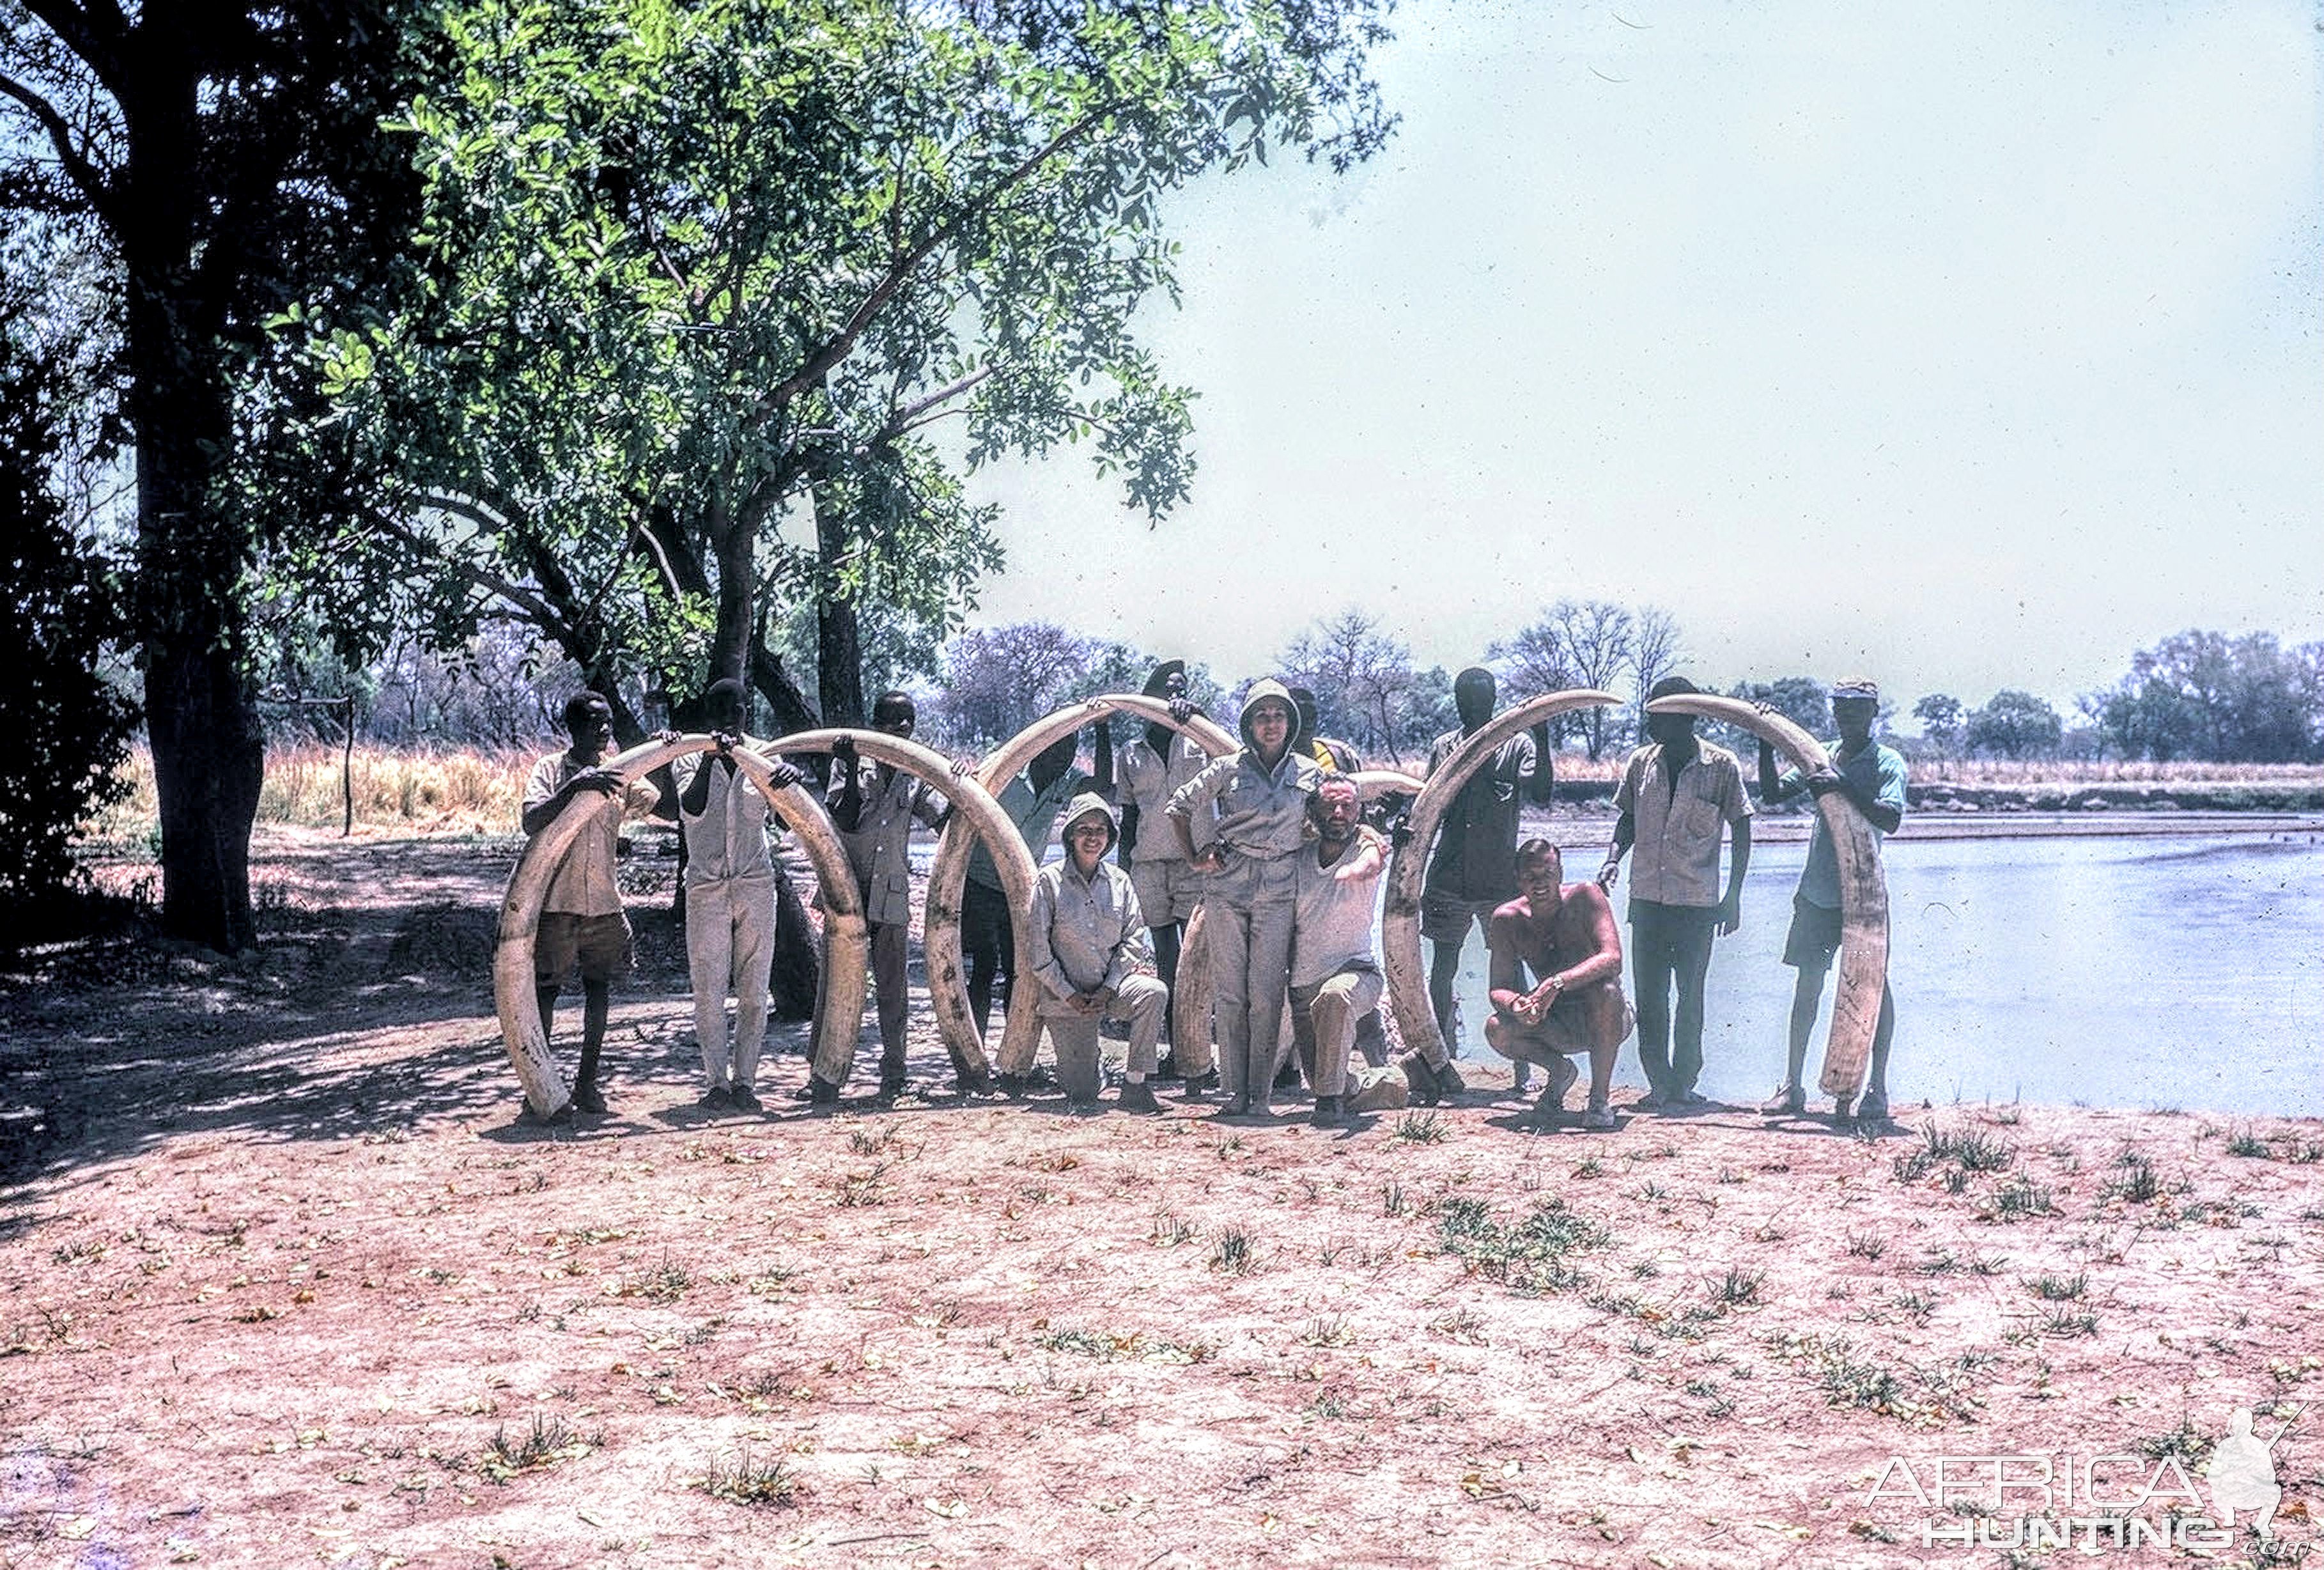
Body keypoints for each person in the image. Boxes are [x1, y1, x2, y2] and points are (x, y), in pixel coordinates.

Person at [1754, 678, 1905, 1125]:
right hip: (1817, 891)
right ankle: (1792, 1085)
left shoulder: (1886, 762)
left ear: (1874, 712)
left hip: (1863, 896)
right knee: (1808, 986)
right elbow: (1774, 794)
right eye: (1841, 708)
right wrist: (1766, 745)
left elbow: (1891, 818)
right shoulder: (1821, 754)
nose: (1847, 716)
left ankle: (1876, 1088)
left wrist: (1842, 787)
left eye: (1857, 709)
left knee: (1876, 991)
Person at [1598, 676, 1752, 1110]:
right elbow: (1626, 819)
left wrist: (1733, 895)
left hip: (1697, 903)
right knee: (1649, 997)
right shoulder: (1641, 763)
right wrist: (1612, 859)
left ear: (1685, 717)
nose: (1650, 725)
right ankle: (1659, 1083)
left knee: (1691, 997)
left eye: (1659, 717)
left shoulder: (1721, 766)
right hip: (1647, 900)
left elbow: (1742, 827)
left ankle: (1684, 1081)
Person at [1166, 680, 1319, 1117]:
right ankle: (1235, 1094)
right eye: (1261, 716)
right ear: (1249, 724)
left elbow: (1333, 815)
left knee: (1268, 993)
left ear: (1290, 724)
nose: (1270, 724)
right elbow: (1179, 807)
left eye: (1279, 716)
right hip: (1228, 884)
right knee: (1231, 993)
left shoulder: (1309, 773)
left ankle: (1262, 1096)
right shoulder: (1227, 768)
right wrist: (1196, 857)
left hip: (1280, 887)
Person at [522, 692, 662, 1116]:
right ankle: (539, 1087)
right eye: (595, 724)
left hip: (604, 903)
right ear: (574, 728)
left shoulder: (619, 770)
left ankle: (587, 1084)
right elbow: (531, 820)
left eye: (609, 723)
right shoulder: (550, 770)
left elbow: (652, 799)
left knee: (599, 989)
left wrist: (661, 748)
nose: (604, 731)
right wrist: (575, 786)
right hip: (558, 902)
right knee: (545, 991)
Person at [669, 679, 805, 1114]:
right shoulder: (687, 754)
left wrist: (787, 782)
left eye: (738, 709)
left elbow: (786, 821)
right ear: (709, 715)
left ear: (748, 712)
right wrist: (713, 758)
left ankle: (746, 1081)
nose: (730, 717)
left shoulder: (767, 755)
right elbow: (689, 808)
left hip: (755, 883)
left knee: (754, 987)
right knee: (708, 987)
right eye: (721, 709)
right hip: (707, 885)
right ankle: (715, 1083)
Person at [814, 690, 956, 1104]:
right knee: (837, 983)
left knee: (894, 988)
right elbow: (845, 818)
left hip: (891, 895)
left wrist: (958, 779)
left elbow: (940, 817)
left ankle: (895, 1072)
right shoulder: (850, 760)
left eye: (909, 720)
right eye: (894, 720)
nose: (903, 728)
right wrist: (854, 761)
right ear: (876, 724)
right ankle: (824, 1073)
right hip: (848, 891)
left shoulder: (916, 769)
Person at [1417, 667, 1554, 1089]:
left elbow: (1543, 792)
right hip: (1448, 878)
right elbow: (1430, 806)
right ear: (1458, 703)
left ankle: (1523, 1067)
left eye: (1482, 698)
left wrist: (1545, 737)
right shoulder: (1445, 747)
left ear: (1494, 701)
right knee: (1443, 969)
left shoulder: (1517, 744)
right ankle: (1442, 1063)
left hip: (1499, 881)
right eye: (1466, 699)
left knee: (1511, 971)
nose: (1474, 706)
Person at [1024, 794, 1170, 1113]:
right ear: (1071, 836)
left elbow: (1134, 939)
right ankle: (1093, 1067)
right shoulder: (1048, 882)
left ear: (1110, 837)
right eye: (1084, 829)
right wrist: (1069, 994)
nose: (1093, 837)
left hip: (1111, 991)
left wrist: (1108, 988)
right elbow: (1038, 952)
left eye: (1100, 830)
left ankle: (1134, 1084)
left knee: (1154, 992)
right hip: (1066, 1000)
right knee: (1083, 1093)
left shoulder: (1120, 881)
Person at [1483, 840, 1632, 1130]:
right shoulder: (1507, 919)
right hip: (1553, 1021)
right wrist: (1517, 1005)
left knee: (1607, 992)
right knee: (1497, 1029)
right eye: (1531, 877)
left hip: (1606, 1016)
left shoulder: (1587, 896)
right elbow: (1498, 987)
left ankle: (1599, 1099)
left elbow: (1613, 959)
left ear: (1561, 873)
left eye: (1548, 874)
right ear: (1518, 880)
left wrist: (1557, 983)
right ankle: (1560, 1071)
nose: (1540, 884)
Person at [1114, 660, 1211, 1085]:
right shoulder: (1132, 754)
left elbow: (1231, 776)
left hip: (1196, 864)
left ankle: (1197, 1058)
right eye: (1166, 689)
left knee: (1196, 960)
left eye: (1181, 688)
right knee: (1167, 961)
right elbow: (1129, 817)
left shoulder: (1199, 744)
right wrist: (1122, 874)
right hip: (1149, 866)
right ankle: (1176, 1053)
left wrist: (1200, 719)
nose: (1174, 696)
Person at [962, 729, 1087, 1039]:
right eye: (1058, 748)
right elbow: (966, 789)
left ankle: (1013, 1050)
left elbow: (1103, 789)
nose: (1064, 757)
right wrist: (961, 773)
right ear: (1042, 746)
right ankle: (974, 1047)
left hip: (1020, 890)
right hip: (980, 882)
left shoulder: (1066, 782)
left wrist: (1100, 726)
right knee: (984, 965)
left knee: (1019, 971)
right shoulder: (1005, 769)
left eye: (1071, 750)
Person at [1286, 775, 1390, 1128]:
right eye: (1330, 805)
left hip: (1356, 972)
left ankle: (1328, 1106)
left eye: (1347, 805)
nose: (1339, 813)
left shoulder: (1366, 846)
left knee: (1336, 995)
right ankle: (1391, 1082)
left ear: (1359, 811)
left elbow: (1372, 863)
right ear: (1314, 810)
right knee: (1323, 1079)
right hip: (1303, 987)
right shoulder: (1298, 857)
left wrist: (1355, 871)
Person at [1288, 685, 1363, 773]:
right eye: (1301, 717)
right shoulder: (1272, 763)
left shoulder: (1340, 754)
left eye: (1312, 716)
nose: (1308, 724)